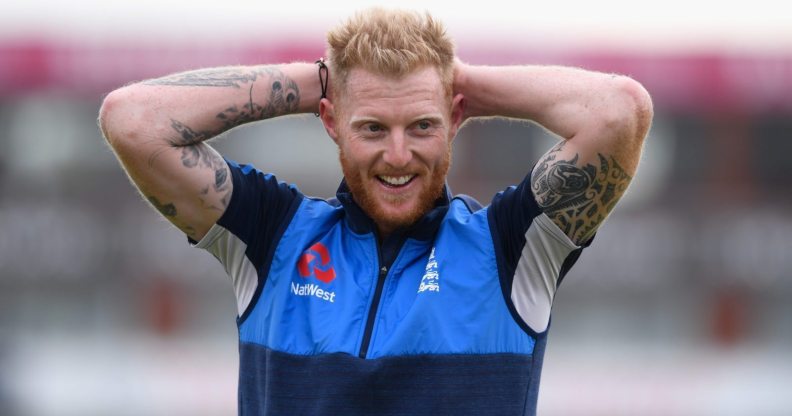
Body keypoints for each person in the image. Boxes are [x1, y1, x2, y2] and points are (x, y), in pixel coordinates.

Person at [99, 8, 652, 416]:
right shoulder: (272, 236)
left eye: (422, 125)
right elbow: (132, 119)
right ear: (331, 122)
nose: (397, 155)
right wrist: (325, 79)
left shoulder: (512, 247)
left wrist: (458, 83)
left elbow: (621, 110)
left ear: (456, 120)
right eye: (371, 127)